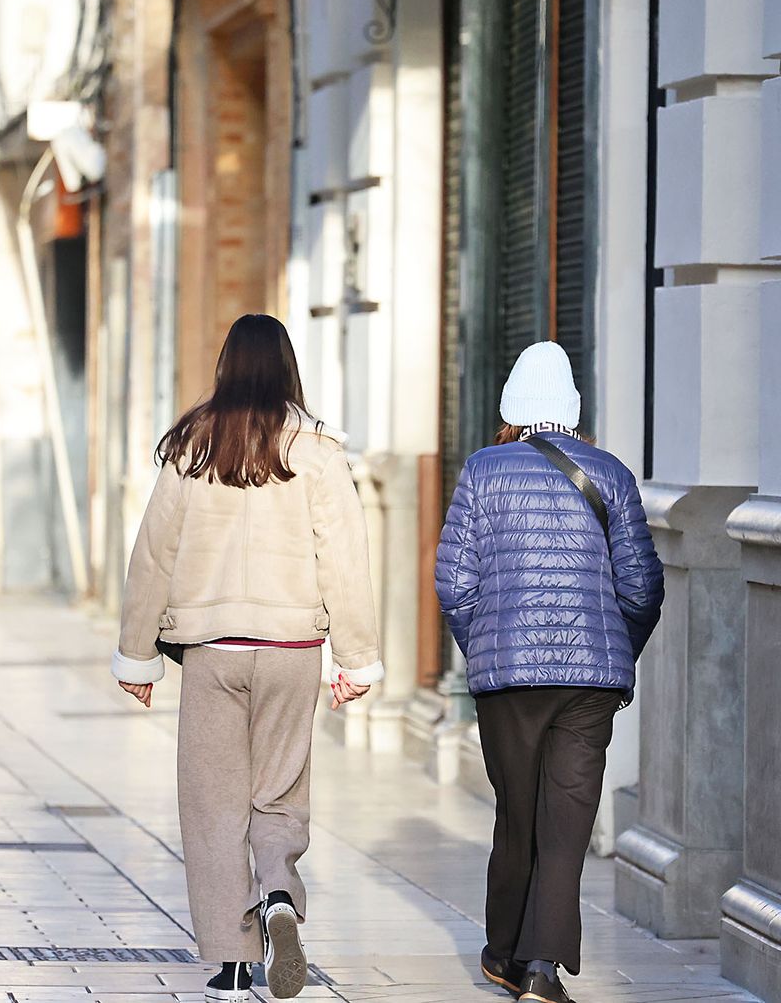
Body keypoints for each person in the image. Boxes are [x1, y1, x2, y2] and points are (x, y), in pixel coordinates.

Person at [114, 314, 382, 1003]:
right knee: (279, 792)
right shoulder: (317, 451)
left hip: (212, 648)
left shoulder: (193, 445)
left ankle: (231, 963)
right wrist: (356, 657)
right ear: (288, 368)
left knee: (211, 805)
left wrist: (136, 654)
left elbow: (153, 554)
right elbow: (345, 557)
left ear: (226, 365)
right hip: (292, 646)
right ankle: (281, 899)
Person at [435, 341, 664, 1003]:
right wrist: (615, 650)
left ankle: (502, 956)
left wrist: (485, 645)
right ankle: (542, 971)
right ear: (571, 408)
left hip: (508, 676)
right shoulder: (612, 473)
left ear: (511, 407)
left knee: (517, 815)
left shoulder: (482, 469)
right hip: (589, 679)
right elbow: (642, 586)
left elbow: (454, 582)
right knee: (567, 823)